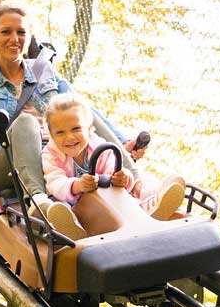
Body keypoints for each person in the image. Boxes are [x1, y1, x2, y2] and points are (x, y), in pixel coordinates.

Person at [0, 0, 147, 215]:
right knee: (25, 121)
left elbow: (81, 107)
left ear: (29, 36)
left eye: (21, 32)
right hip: (5, 165)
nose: (14, 39)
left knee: (80, 112)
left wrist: (123, 140)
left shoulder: (41, 68)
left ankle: (138, 184)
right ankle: (39, 202)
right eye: (6, 32)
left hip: (56, 155)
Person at [39, 93, 186, 238]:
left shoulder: (98, 145)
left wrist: (121, 178)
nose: (69, 137)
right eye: (60, 132)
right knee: (59, 210)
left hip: (106, 201)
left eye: (76, 129)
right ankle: (74, 230)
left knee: (130, 191)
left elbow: (113, 166)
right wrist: (77, 185)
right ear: (51, 135)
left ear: (89, 129)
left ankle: (151, 204)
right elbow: (55, 183)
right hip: (76, 206)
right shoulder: (51, 155)